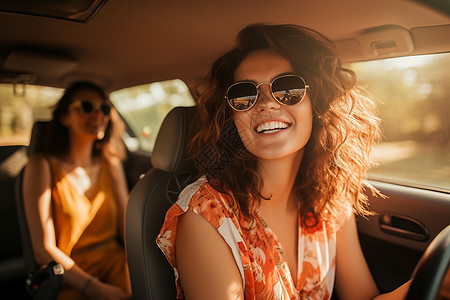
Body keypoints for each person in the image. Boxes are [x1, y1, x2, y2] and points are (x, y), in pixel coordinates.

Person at [155, 23, 418, 300]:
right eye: (244, 95)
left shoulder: (331, 201)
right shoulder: (206, 217)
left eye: (288, 88)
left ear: (317, 104)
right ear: (231, 116)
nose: (265, 103)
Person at [22, 81, 132, 300]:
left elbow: (128, 226)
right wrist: (94, 288)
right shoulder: (41, 166)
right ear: (64, 118)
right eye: (86, 106)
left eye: (104, 108)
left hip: (116, 263)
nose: (98, 115)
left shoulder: (111, 163)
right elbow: (43, 249)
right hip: (68, 274)